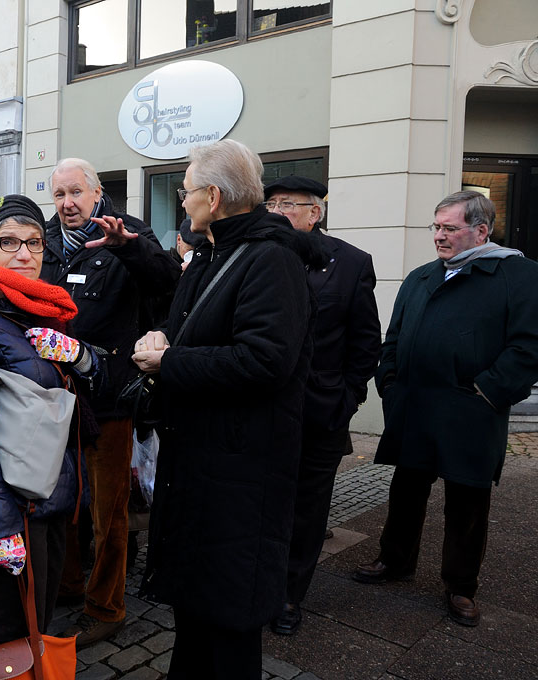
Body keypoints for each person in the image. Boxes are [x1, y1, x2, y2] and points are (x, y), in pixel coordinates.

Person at [132, 140, 317, 679]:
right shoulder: (213, 251)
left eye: (186, 191)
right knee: (197, 603)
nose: (182, 201)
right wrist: (162, 335)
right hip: (202, 459)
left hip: (241, 469)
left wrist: (170, 362)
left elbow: (265, 361)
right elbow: (191, 325)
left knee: (229, 612)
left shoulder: (271, 259)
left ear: (213, 196)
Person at [353, 190, 538, 627]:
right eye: (435, 227)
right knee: (406, 491)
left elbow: (529, 345)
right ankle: (394, 561)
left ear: (481, 231)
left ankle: (460, 586)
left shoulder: (519, 274)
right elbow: (394, 338)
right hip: (414, 405)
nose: (438, 236)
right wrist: (390, 384)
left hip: (471, 410)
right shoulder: (420, 277)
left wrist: (487, 391)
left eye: (449, 228)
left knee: (468, 504)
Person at [0, 193, 100, 647]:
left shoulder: (39, 306)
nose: (24, 254)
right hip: (13, 506)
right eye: (8, 242)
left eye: (33, 242)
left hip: (50, 495)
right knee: (11, 639)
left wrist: (82, 358)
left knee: (38, 626)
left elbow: (73, 396)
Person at [43, 157, 180, 647]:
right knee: (61, 502)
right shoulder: (44, 240)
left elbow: (170, 282)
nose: (67, 204)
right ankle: (66, 585)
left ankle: (106, 607)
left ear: (98, 191)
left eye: (76, 192)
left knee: (108, 514)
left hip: (111, 400)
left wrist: (129, 248)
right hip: (56, 397)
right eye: (59, 194)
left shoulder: (130, 234)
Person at [263, 176, 381, 635]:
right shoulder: (254, 256)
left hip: (321, 410)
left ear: (316, 213)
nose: (277, 211)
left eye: (289, 204)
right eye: (271, 202)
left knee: (307, 509)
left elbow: (364, 340)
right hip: (264, 409)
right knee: (264, 502)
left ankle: (290, 596)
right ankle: (260, 584)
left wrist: (347, 399)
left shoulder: (350, 263)